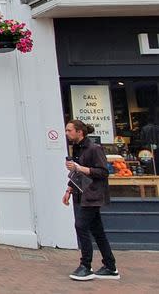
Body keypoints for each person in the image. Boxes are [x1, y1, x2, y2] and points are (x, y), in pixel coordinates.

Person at [63, 120, 119, 281]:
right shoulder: (77, 148)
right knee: (97, 232)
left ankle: (85, 266)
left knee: (80, 225)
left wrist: (79, 168)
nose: (67, 133)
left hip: (93, 194)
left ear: (80, 132)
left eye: (69, 130)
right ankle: (110, 266)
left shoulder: (95, 149)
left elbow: (103, 172)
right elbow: (77, 174)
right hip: (82, 193)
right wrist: (69, 190)